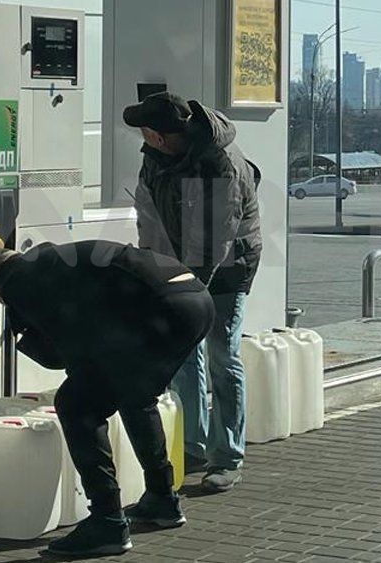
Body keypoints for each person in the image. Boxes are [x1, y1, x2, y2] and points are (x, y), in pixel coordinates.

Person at [0, 240, 215, 557]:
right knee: (135, 395)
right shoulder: (48, 262)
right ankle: (162, 499)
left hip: (161, 309)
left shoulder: (18, 281)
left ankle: (107, 521)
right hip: (193, 301)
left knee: (76, 405)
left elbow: (68, 347)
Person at [124, 92, 261, 494]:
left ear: (160, 134)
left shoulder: (219, 163)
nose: (145, 140)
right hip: (185, 264)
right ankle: (193, 445)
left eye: (147, 133)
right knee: (185, 355)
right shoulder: (154, 158)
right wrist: (152, 273)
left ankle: (228, 457)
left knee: (222, 353)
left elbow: (215, 239)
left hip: (229, 266)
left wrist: (188, 289)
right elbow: (147, 218)